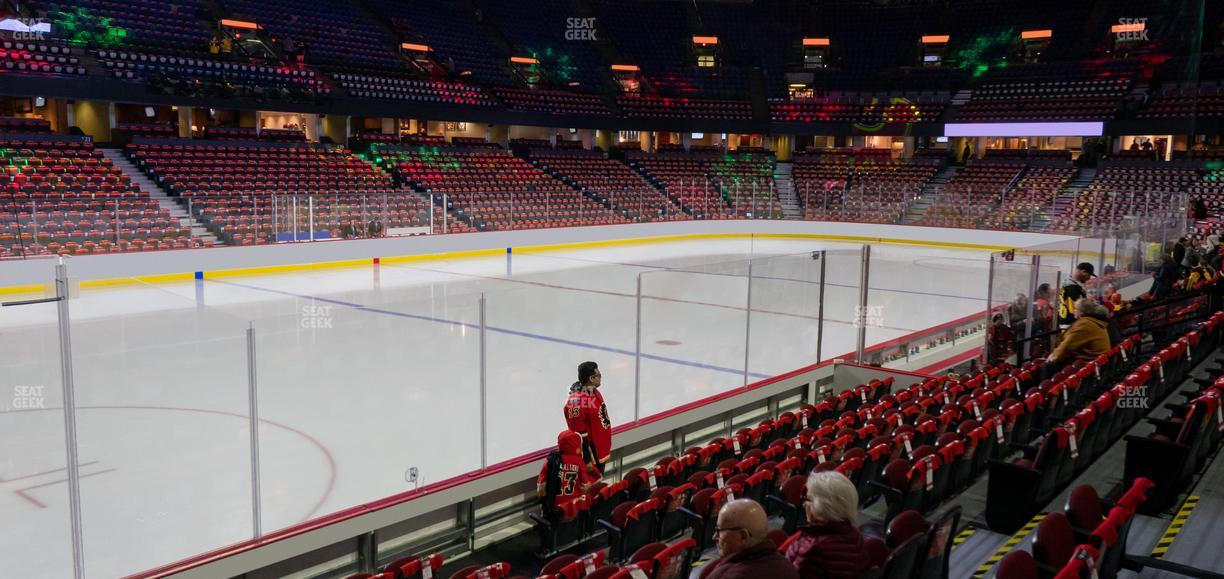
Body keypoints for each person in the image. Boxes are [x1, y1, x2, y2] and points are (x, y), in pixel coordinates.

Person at [784, 471, 872, 579]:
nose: (804, 504)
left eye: (807, 498)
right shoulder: (854, 533)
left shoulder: (812, 550)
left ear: (822, 506)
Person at [699, 499, 800, 579]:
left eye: (719, 530)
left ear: (743, 536)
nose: (714, 537)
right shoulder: (787, 566)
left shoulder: (725, 576)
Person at [536, 430, 601, 517]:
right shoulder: (579, 461)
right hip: (573, 507)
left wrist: (543, 498)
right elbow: (585, 485)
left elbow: (541, 485)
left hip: (555, 507)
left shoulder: (550, 460)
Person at [564, 361, 611, 475]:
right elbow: (578, 434)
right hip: (591, 458)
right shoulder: (576, 402)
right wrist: (586, 460)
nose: (600, 377)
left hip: (600, 451)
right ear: (591, 378)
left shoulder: (594, 391)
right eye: (598, 375)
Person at [1047, 299, 1111, 374]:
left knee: (1046, 368)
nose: (1073, 311)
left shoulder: (1085, 324)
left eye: (1075, 308)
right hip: (1097, 365)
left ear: (1081, 312)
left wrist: (1053, 358)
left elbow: (1067, 346)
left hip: (1087, 368)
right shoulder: (1093, 321)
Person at [1057, 262, 1095, 329]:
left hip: (1067, 324)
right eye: (1089, 275)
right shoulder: (1073, 288)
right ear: (1083, 272)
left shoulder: (1067, 284)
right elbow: (1074, 311)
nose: (1089, 278)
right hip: (1071, 326)